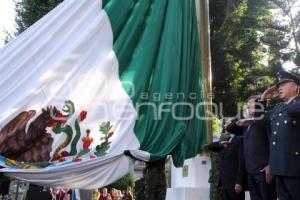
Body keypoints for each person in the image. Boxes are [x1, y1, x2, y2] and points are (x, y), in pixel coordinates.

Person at [260, 70, 300, 199]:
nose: (279, 88)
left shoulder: (295, 104)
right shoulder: (278, 107)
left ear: (295, 87)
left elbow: (293, 110)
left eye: (283, 84)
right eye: (278, 86)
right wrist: (263, 99)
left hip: (295, 168)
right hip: (279, 166)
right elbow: (260, 118)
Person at [233, 95, 276, 200]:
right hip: (250, 171)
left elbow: (273, 143)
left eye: (251, 104)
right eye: (247, 106)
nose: (248, 107)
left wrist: (271, 165)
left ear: (259, 104)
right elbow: (230, 128)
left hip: (263, 171)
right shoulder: (247, 124)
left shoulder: (266, 119)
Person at [206, 119, 247, 200]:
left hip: (234, 182)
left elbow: (241, 162)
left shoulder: (240, 139)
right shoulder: (226, 139)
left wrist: (239, 181)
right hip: (225, 181)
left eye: (227, 123)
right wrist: (220, 144)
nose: (225, 125)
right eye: (224, 124)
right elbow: (210, 146)